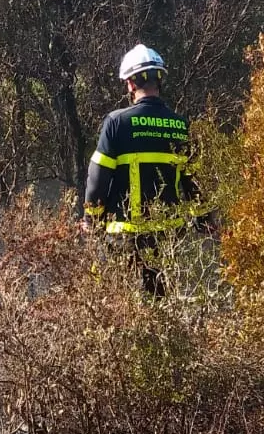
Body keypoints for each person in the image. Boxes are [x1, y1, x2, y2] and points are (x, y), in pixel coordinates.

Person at [83, 44, 197, 296]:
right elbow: (195, 183)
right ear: (160, 80)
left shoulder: (117, 123)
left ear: (130, 84)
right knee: (164, 302)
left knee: (125, 307)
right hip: (169, 236)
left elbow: (97, 178)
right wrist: (204, 222)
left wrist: (92, 219)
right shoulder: (181, 125)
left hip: (125, 237)